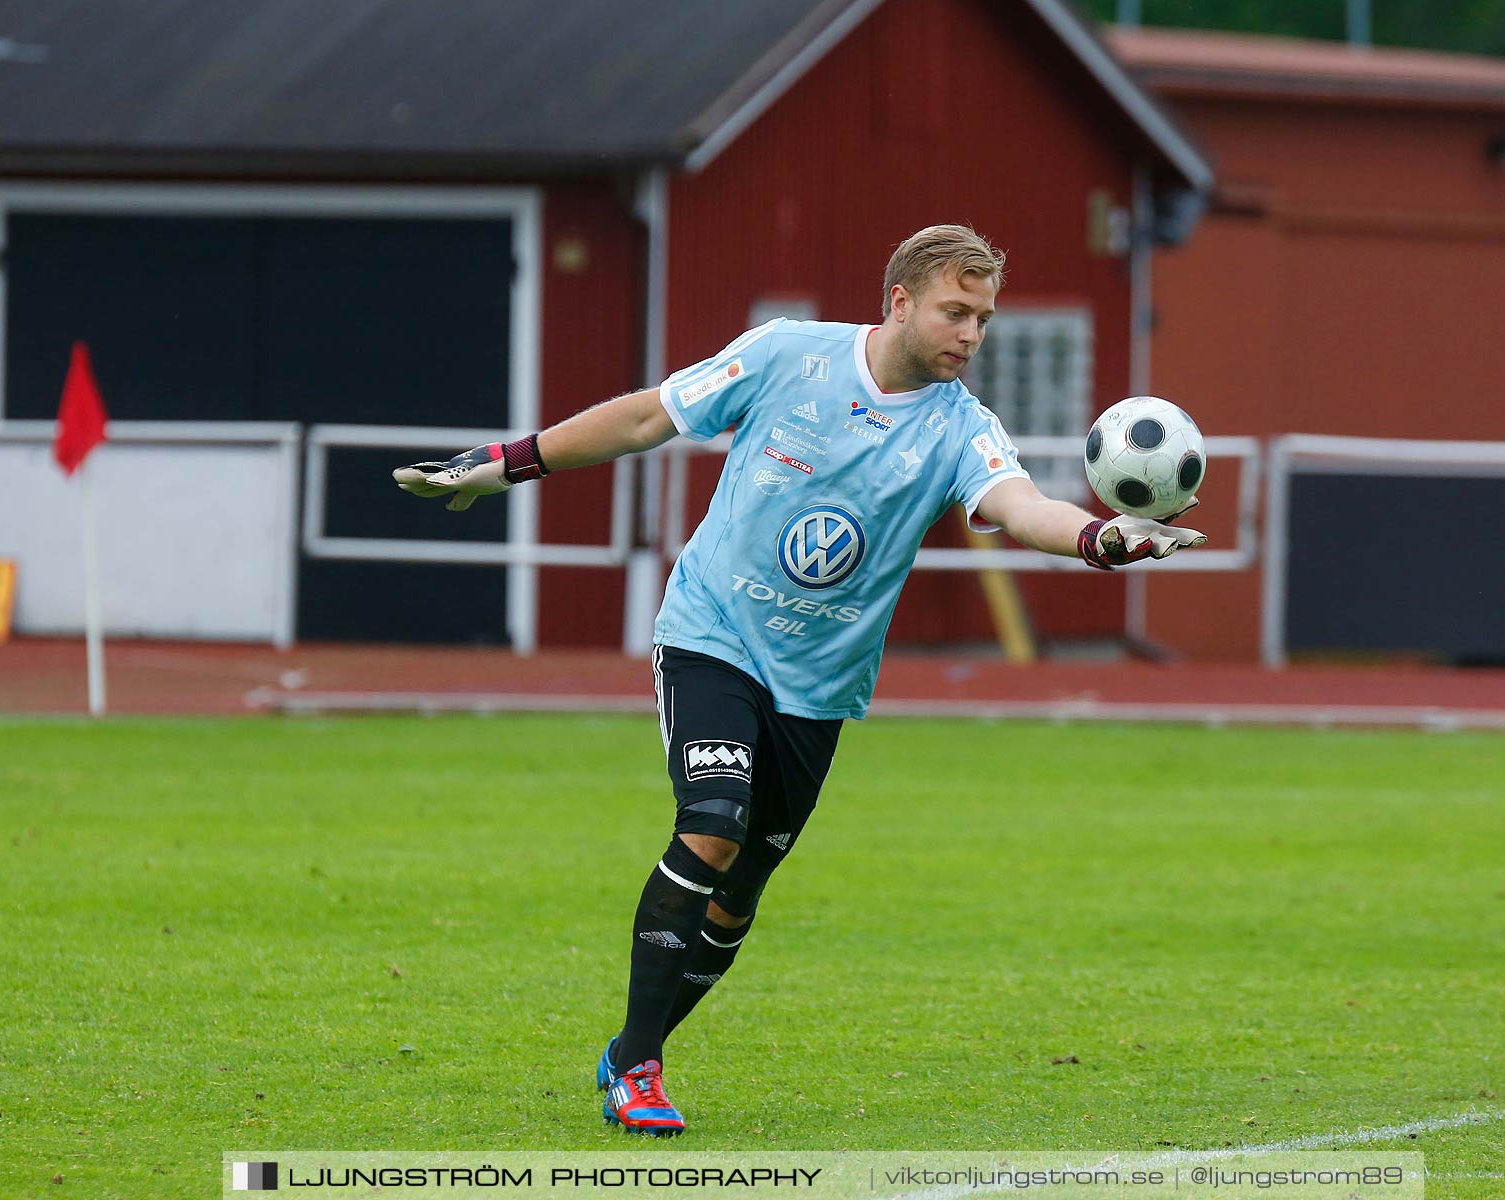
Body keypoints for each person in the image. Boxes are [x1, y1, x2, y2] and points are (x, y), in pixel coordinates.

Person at [394, 225, 1205, 1136]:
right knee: (712, 823)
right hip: (713, 633)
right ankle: (642, 1067)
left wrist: (1099, 539)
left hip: (819, 686)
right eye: (955, 312)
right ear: (899, 300)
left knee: (740, 892)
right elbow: (648, 416)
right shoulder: (787, 356)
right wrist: (513, 460)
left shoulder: (961, 428)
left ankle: (628, 1053)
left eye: (983, 318)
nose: (971, 335)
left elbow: (1022, 507)